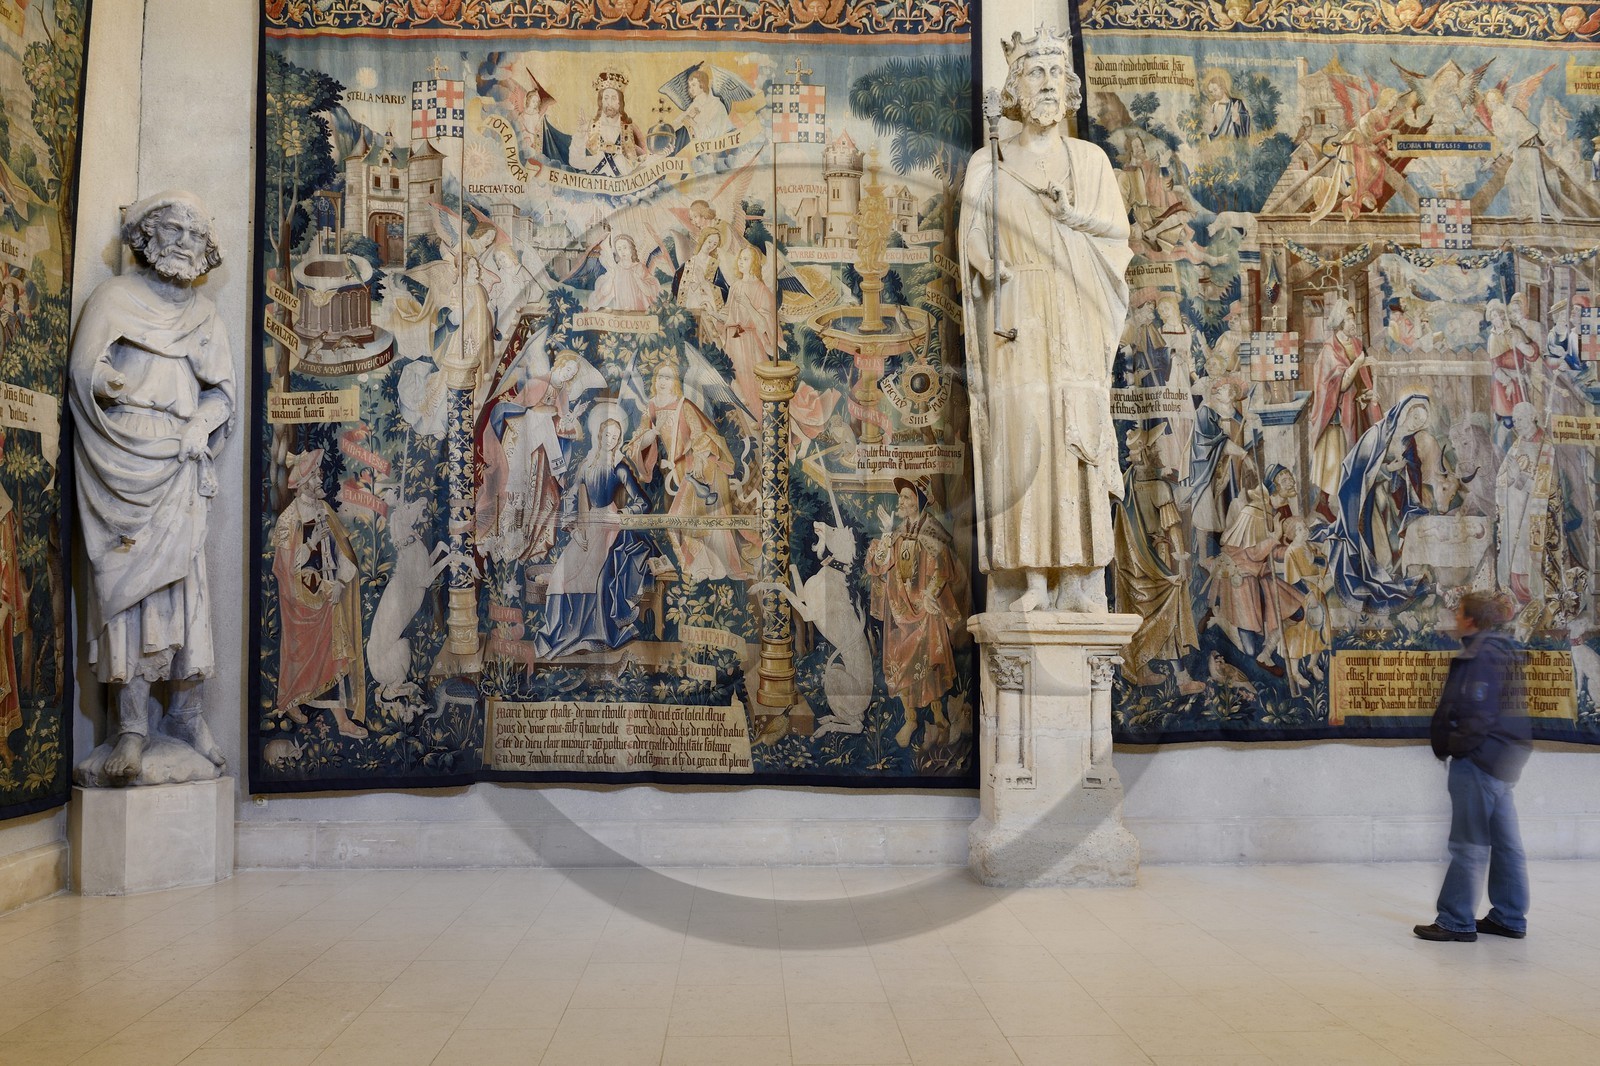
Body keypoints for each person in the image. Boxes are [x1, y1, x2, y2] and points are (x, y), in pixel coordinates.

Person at [959, 25, 1133, 612]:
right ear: (1016, 85)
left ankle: (1083, 577)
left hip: (1075, 309)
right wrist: (992, 265)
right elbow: (972, 242)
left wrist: (1074, 215)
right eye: (1037, 72)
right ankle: (1032, 576)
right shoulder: (991, 161)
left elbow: (1117, 236)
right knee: (1027, 434)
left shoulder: (1089, 161)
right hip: (1018, 316)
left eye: (1058, 73)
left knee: (1075, 432)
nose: (1049, 83)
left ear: (1071, 87)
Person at [68, 190, 233, 786]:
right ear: (148, 238)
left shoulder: (203, 318)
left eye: (196, 235)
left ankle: (187, 715)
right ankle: (130, 727)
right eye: (174, 231)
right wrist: (105, 381)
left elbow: (221, 393)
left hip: (178, 457)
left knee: (184, 594)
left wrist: (197, 425)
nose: (186, 244)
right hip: (119, 457)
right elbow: (85, 370)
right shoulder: (115, 299)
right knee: (125, 597)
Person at [1415, 589, 1531, 942]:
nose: (1454, 618)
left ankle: (1455, 919)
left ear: (1470, 619)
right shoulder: (1502, 650)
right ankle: (1509, 916)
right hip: (1503, 758)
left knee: (1468, 842)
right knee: (1505, 841)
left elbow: (1478, 714)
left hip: (1479, 760)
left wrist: (1455, 746)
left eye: (1458, 612)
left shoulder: (1481, 656)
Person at [535, 408, 656, 657]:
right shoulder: (586, 465)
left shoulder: (619, 466)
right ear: (599, 437)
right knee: (561, 575)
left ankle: (596, 633)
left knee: (598, 578)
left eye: (615, 437)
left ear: (618, 440)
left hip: (610, 525)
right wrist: (573, 527)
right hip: (588, 525)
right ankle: (560, 632)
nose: (610, 440)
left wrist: (621, 515)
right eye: (607, 435)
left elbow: (643, 502)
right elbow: (570, 497)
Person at [271, 449, 367, 738]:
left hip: (329, 596)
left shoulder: (325, 510)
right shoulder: (289, 520)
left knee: (334, 654)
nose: (320, 478)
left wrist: (339, 581)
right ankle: (291, 699)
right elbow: (286, 568)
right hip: (304, 601)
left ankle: (342, 721)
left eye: (319, 473)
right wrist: (311, 543)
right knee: (301, 655)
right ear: (304, 483)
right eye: (316, 475)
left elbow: (341, 550)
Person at [866, 477, 966, 747]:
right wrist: (886, 533)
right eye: (901, 498)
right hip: (899, 612)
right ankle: (911, 719)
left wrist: (931, 594)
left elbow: (942, 567)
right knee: (899, 665)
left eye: (907, 497)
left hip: (925, 610)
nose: (901, 502)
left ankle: (937, 717)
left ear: (919, 502)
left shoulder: (932, 531)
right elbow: (879, 565)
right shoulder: (897, 533)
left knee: (929, 665)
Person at [570, 69, 645, 176]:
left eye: (613, 98)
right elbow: (575, 162)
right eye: (606, 98)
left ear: (620, 103)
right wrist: (580, 135)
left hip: (623, 187)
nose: (609, 103)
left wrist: (659, 157)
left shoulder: (628, 130)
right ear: (601, 102)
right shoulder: (590, 128)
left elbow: (639, 163)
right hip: (596, 186)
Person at [590, 234, 660, 313]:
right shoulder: (615, 269)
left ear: (631, 249)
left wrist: (638, 279)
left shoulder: (639, 267)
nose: (622, 251)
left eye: (625, 247)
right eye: (619, 249)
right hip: (621, 312)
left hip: (638, 312)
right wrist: (611, 279)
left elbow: (649, 292)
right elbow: (604, 292)